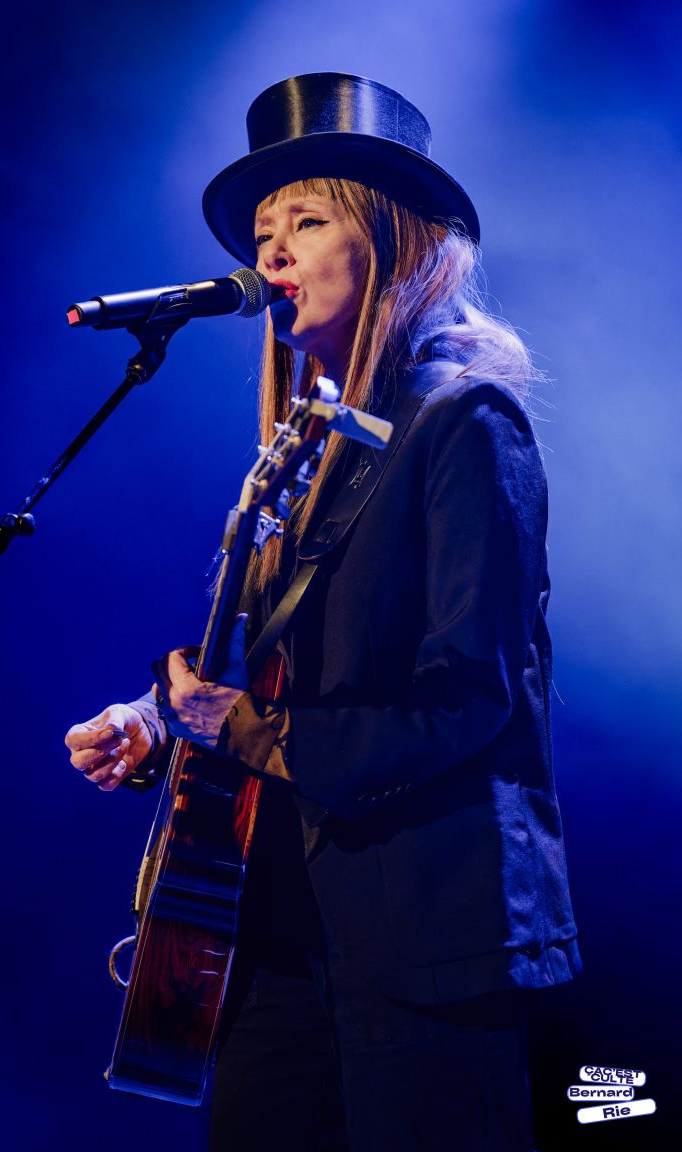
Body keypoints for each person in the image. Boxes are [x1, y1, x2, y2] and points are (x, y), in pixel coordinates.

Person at [65, 73, 580, 1152]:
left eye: (307, 219)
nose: (273, 253)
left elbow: (468, 698)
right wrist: (164, 723)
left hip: (424, 932)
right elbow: (271, 680)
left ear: (395, 242)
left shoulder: (466, 426)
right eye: (263, 232)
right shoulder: (303, 453)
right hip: (281, 923)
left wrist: (247, 731)